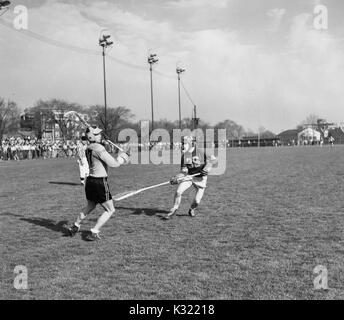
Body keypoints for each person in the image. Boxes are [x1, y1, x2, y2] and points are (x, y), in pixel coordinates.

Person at [68, 126, 130, 241]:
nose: (100, 135)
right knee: (110, 210)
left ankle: (75, 225)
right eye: (97, 134)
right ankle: (94, 231)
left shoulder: (89, 147)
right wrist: (123, 158)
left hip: (90, 181)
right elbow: (114, 164)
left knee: (90, 206)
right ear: (92, 136)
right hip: (99, 182)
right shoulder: (99, 148)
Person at [165, 136, 217, 220]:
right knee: (178, 191)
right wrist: (177, 178)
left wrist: (207, 168)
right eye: (182, 143)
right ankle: (174, 209)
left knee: (196, 201)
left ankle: (192, 209)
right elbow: (184, 171)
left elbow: (214, 160)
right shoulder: (184, 156)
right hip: (189, 176)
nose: (182, 145)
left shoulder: (201, 151)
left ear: (192, 143)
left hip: (201, 179)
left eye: (184, 143)